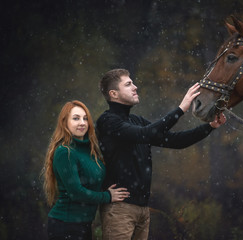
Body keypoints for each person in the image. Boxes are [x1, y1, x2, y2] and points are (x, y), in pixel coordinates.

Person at [96, 69, 226, 240]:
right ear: (114, 94)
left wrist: (209, 127)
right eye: (128, 84)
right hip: (120, 209)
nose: (135, 87)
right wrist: (181, 108)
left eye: (133, 82)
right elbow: (146, 134)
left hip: (143, 210)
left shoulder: (137, 121)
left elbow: (176, 141)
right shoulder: (108, 121)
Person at [42, 100, 130, 240]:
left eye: (85, 118)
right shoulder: (65, 152)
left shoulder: (91, 150)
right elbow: (77, 193)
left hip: (84, 225)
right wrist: (107, 196)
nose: (82, 123)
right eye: (76, 118)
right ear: (65, 122)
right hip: (65, 225)